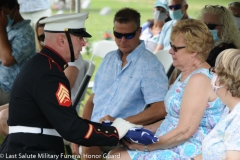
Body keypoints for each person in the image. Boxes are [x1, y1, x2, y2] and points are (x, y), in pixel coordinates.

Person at [0, 12, 142, 159]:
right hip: (33, 152)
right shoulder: (49, 73)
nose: (83, 43)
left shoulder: (43, 65)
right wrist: (115, 131)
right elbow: (71, 128)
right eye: (79, 37)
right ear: (62, 40)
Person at [107, 19, 226, 160]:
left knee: (116, 156)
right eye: (171, 45)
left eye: (176, 48)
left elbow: (185, 131)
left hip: (190, 149)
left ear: (194, 50)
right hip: (171, 141)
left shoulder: (199, 79)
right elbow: (172, 119)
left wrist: (146, 147)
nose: (170, 51)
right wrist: (139, 130)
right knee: (115, 153)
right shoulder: (186, 73)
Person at [79, 7, 168, 160]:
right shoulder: (108, 59)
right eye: (118, 34)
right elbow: (92, 100)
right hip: (96, 129)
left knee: (88, 143)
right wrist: (81, 129)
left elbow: (160, 109)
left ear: (139, 31)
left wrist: (121, 123)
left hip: (122, 133)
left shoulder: (149, 65)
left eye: (129, 35)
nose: (123, 40)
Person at [0, 16, 86, 138]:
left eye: (47, 37)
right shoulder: (43, 59)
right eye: (41, 37)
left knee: (5, 116)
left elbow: (59, 91)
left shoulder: (72, 58)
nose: (44, 41)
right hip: (43, 106)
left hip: (59, 111)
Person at [193, 49, 240, 159]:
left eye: (214, 71)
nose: (212, 76)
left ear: (225, 79)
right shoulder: (229, 110)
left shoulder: (238, 118)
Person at [0, 0, 35, 105]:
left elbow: (7, 60)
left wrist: (1, 30)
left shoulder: (25, 32)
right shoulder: (7, 29)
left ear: (15, 9)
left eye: (3, 12)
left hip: (10, 89)